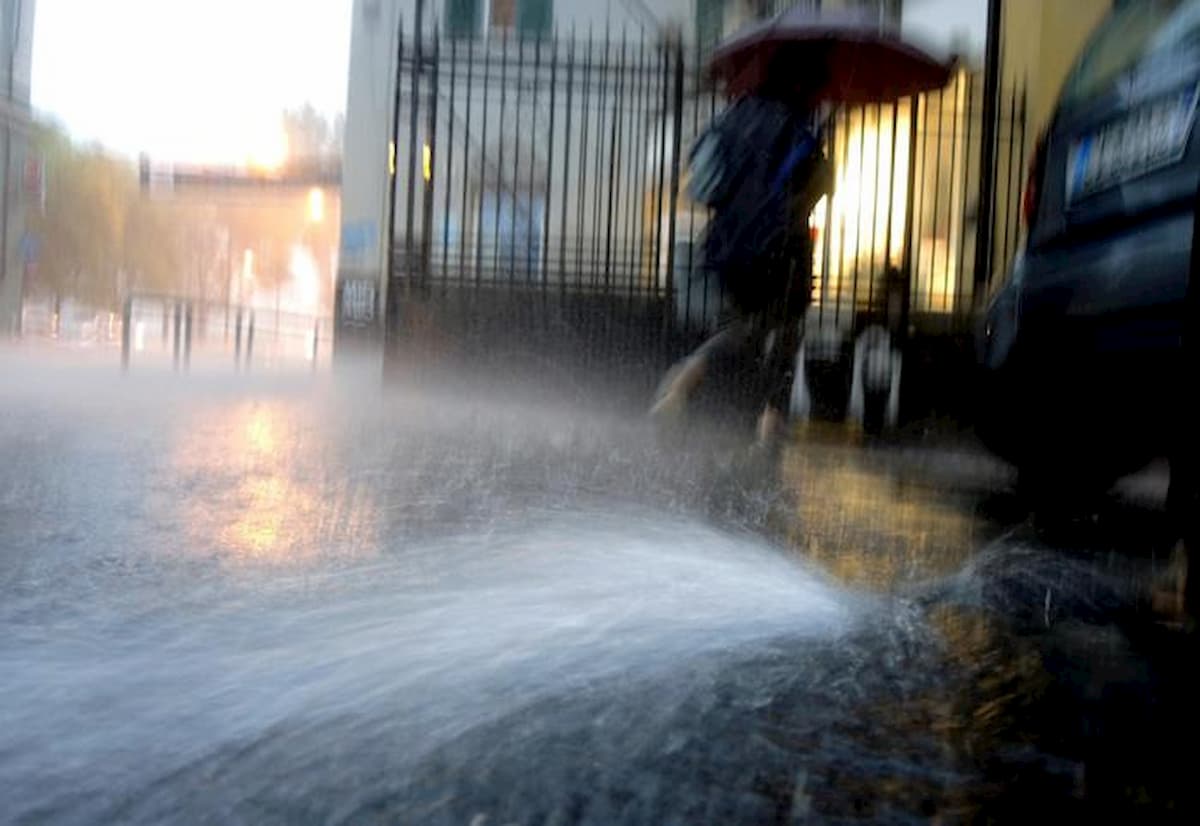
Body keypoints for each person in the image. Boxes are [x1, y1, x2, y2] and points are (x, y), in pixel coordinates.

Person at [652, 88, 831, 448]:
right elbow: (803, 199)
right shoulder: (796, 131)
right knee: (782, 335)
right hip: (777, 253)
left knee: (741, 330)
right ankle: (766, 422)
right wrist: (823, 168)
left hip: (729, 246)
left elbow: (713, 185)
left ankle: (698, 385)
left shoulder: (736, 118)